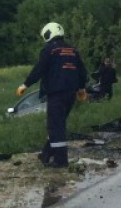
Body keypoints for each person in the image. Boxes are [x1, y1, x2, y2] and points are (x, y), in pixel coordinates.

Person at [16, 22, 88, 168]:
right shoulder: (73, 50)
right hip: (71, 94)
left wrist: (25, 84)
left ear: (48, 34)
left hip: (56, 93)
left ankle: (61, 161)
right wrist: (81, 89)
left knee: (55, 127)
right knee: (58, 124)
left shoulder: (50, 49)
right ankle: (46, 154)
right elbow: (82, 71)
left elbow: (39, 69)